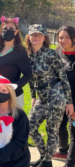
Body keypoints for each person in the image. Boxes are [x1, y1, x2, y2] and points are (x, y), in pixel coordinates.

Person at [26, 24, 74, 167]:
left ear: (44, 37)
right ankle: (44, 157)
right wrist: (33, 96)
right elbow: (30, 78)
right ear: (28, 37)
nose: (36, 37)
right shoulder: (27, 55)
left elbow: (63, 78)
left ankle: (47, 162)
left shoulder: (51, 54)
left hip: (56, 96)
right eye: (33, 34)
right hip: (41, 97)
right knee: (30, 127)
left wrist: (69, 102)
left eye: (39, 35)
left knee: (51, 131)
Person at [0, 16, 32, 108]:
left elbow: (28, 74)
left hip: (14, 97)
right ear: (1, 31)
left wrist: (13, 88)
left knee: (12, 122)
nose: (8, 30)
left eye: (11, 29)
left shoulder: (20, 51)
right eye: (5, 28)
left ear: (16, 32)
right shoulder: (0, 49)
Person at [53, 26, 75, 167]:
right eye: (61, 37)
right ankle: (63, 150)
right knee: (60, 125)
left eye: (67, 37)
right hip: (61, 97)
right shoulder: (58, 51)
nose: (63, 40)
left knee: (73, 129)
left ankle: (70, 162)